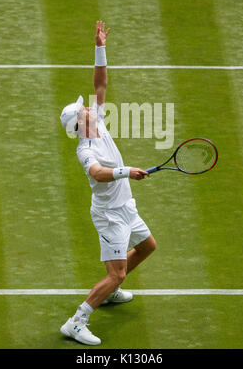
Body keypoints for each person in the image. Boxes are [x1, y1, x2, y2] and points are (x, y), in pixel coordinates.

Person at [59, 21, 156, 345]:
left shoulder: (96, 119)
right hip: (110, 215)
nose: (87, 106)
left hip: (126, 206)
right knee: (116, 271)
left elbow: (100, 83)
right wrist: (126, 171)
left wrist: (99, 45)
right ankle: (76, 322)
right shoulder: (85, 150)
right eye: (82, 109)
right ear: (79, 122)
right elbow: (99, 173)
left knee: (146, 246)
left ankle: (111, 291)